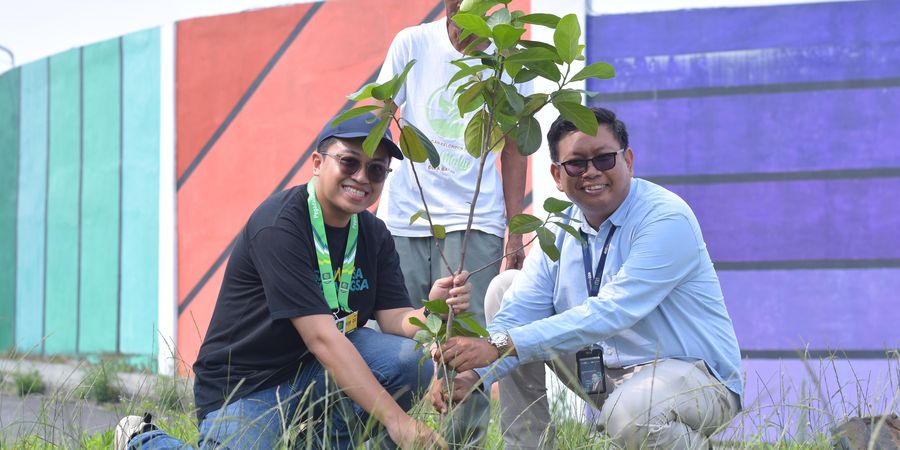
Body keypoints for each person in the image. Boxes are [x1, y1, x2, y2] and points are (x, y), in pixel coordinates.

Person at [114, 112, 471, 450]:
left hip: (320, 373)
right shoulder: (279, 226)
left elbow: (393, 317)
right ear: (317, 162)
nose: (362, 177)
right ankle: (141, 438)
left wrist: (432, 314)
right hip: (247, 385)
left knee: (411, 361)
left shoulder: (373, 233)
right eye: (349, 162)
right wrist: (397, 421)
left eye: (376, 170)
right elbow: (322, 337)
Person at [432, 107, 744, 450]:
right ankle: (527, 445)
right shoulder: (559, 227)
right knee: (504, 290)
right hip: (607, 377)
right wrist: (473, 375)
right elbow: (519, 313)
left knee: (630, 414)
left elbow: (613, 312)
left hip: (694, 378)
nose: (591, 172)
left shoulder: (666, 218)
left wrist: (499, 346)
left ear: (628, 160)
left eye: (605, 159)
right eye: (576, 164)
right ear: (556, 174)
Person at [375, 0, 529, 322]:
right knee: (405, 334)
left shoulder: (512, 60)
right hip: (406, 218)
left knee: (466, 341)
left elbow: (515, 149)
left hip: (475, 223)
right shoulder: (412, 43)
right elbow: (379, 120)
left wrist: (515, 234)